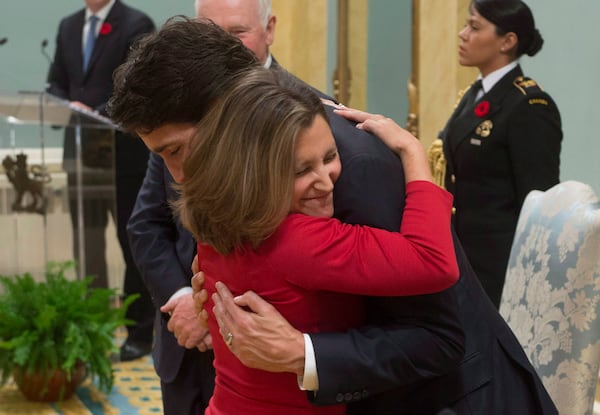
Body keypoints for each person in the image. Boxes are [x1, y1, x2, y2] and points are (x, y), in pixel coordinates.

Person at [175, 67, 459, 415]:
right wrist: (412, 152)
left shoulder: (215, 221)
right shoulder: (297, 241)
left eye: (329, 158)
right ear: (255, 173)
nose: (325, 182)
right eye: (300, 171)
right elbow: (433, 262)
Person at [46, 0, 156, 361]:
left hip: (123, 157)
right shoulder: (67, 26)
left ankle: (140, 331)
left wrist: (92, 113)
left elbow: (138, 86)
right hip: (81, 158)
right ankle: (92, 327)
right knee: (87, 247)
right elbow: (57, 83)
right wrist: (65, 105)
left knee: (132, 244)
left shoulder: (136, 23)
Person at [437, 0, 562, 307]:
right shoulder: (474, 94)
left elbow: (537, 206)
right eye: (466, 24)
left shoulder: (530, 106)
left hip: (500, 268)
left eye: (474, 27)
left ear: (507, 41)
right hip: (464, 259)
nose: (462, 34)